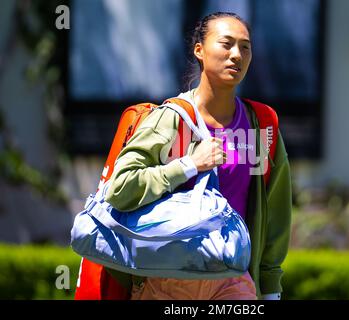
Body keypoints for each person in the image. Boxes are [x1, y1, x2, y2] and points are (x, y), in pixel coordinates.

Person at [105, 12, 292, 300]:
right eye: (226, 44)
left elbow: (275, 217)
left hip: (233, 278)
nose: (237, 55)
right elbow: (120, 188)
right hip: (165, 278)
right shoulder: (171, 119)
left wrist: (270, 290)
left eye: (245, 47)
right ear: (199, 50)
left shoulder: (260, 126)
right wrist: (189, 165)